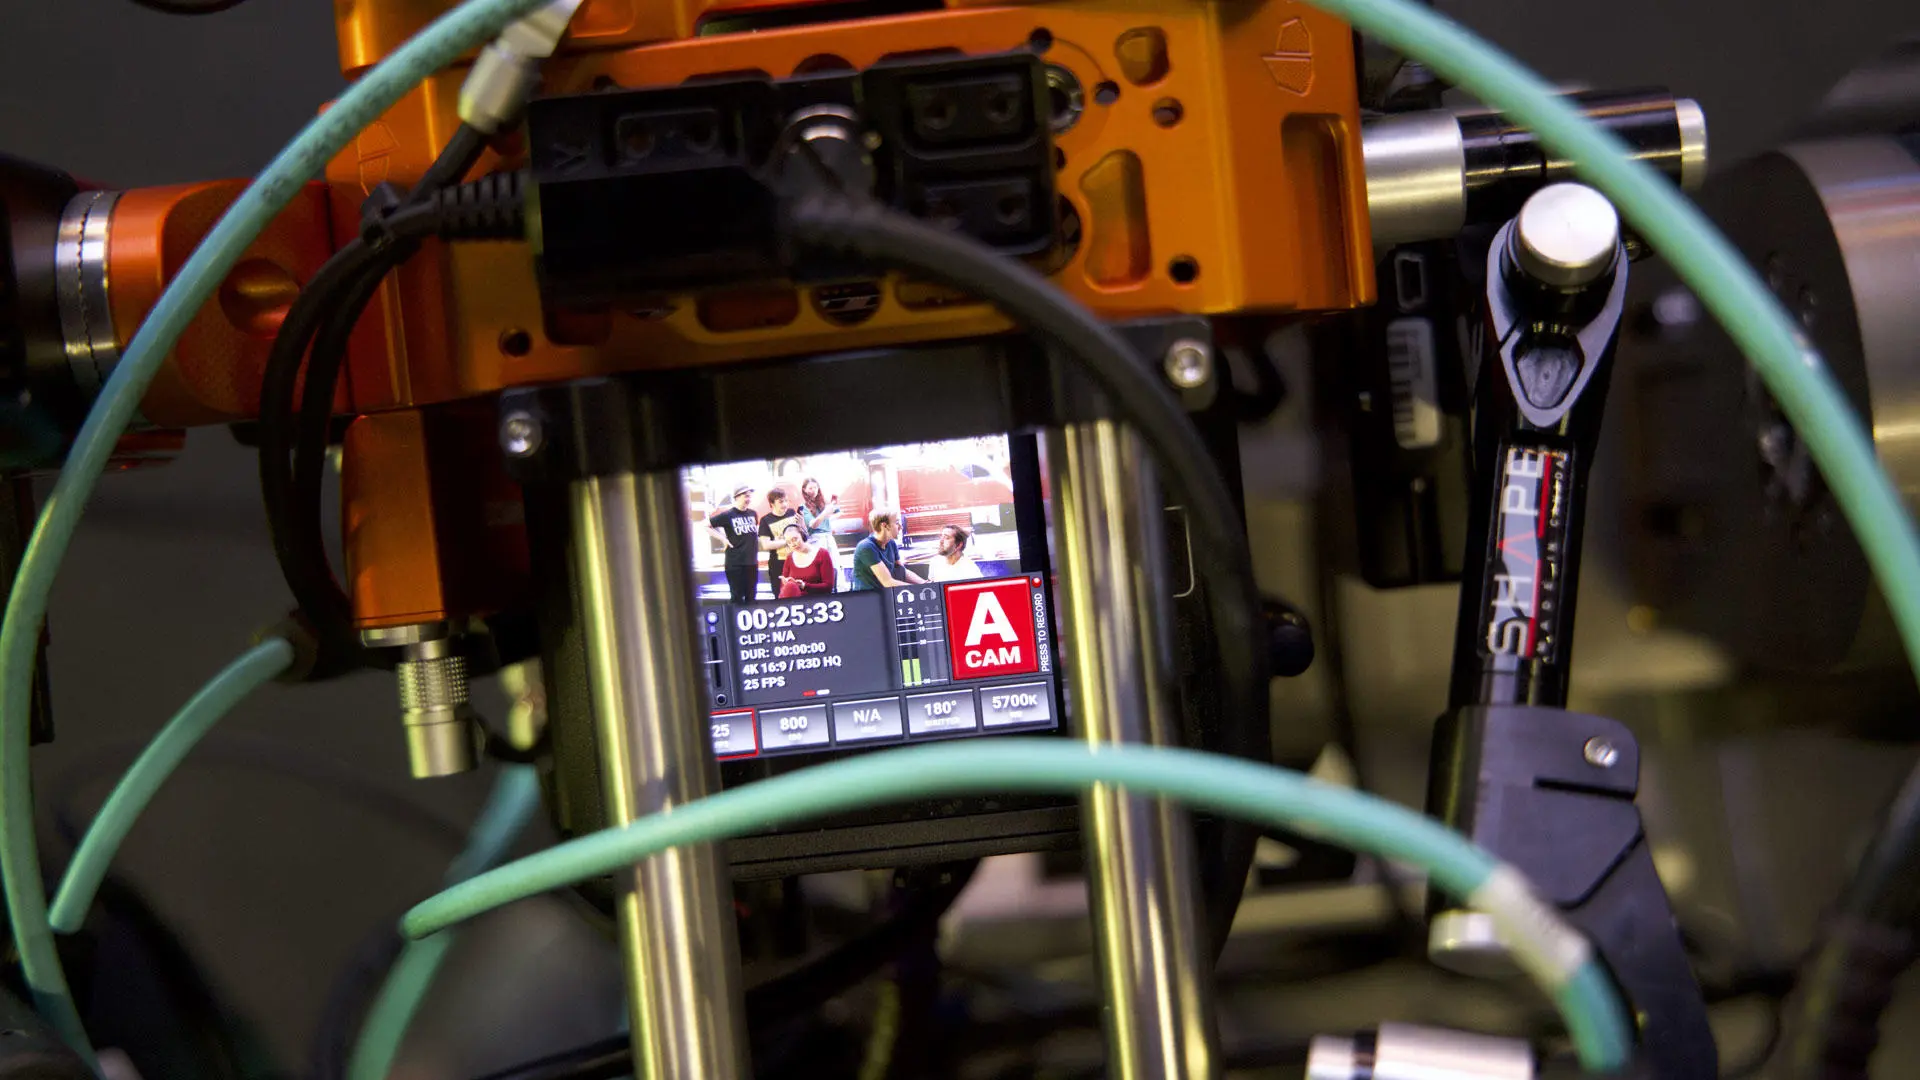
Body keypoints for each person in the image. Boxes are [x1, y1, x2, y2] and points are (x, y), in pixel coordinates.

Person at [706, 484, 761, 603]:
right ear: (737, 497)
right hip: (735, 562)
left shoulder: (753, 513)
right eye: (746, 496)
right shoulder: (728, 515)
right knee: (737, 597)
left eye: (749, 496)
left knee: (751, 596)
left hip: (751, 562)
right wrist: (723, 539)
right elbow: (706, 526)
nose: (748, 499)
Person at [852, 508, 924, 591]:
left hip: (885, 596)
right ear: (884, 526)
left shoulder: (891, 543)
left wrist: (924, 583)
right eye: (896, 523)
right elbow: (887, 582)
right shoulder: (866, 547)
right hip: (868, 599)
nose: (901, 526)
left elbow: (902, 571)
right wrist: (917, 590)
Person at [758, 488, 802, 598]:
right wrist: (788, 540)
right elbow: (766, 545)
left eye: (786, 501)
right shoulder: (765, 520)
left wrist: (802, 524)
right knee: (780, 594)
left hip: (798, 559)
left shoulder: (792, 513)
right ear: (772, 503)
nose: (785, 504)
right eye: (781, 502)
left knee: (799, 592)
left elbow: (802, 534)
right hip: (779, 563)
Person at [777, 523, 836, 597]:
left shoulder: (822, 554)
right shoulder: (789, 557)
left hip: (817, 600)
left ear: (802, 535)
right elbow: (782, 589)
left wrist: (804, 586)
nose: (793, 544)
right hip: (794, 601)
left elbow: (828, 587)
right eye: (789, 542)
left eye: (795, 539)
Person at [798, 477, 837, 542]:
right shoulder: (803, 507)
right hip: (815, 539)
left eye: (815, 487)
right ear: (804, 489)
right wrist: (826, 512)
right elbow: (813, 525)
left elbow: (837, 513)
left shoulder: (824, 502)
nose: (814, 490)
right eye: (810, 488)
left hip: (829, 537)